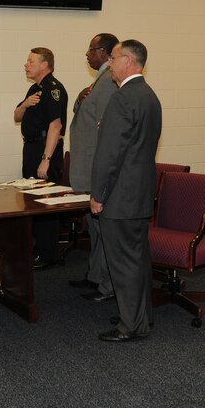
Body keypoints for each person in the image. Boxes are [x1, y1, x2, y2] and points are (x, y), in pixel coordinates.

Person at [90, 39, 162, 343]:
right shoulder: (148, 96)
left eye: (114, 58)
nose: (109, 63)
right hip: (139, 193)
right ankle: (139, 316)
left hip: (119, 196)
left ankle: (131, 325)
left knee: (123, 262)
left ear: (129, 62)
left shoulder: (122, 99)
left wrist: (98, 195)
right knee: (137, 258)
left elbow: (110, 154)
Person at [67, 33, 120, 301]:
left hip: (94, 170)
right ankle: (95, 276)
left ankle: (108, 284)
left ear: (106, 52)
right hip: (87, 169)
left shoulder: (109, 82)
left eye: (92, 49)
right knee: (94, 227)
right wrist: (79, 100)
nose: (87, 54)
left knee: (103, 230)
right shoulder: (99, 81)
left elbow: (105, 133)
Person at [13, 47, 68, 269]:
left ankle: (49, 255)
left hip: (45, 150)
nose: (26, 65)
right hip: (31, 149)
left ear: (44, 65)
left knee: (46, 202)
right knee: (33, 201)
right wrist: (25, 104)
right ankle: (39, 248)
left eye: (30, 61)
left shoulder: (54, 89)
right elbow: (16, 116)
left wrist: (46, 159)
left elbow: (56, 125)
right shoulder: (34, 89)